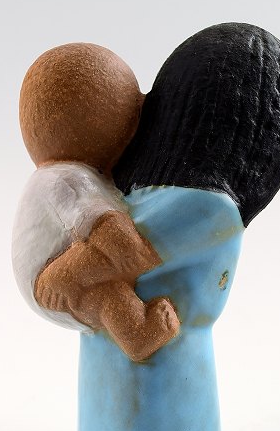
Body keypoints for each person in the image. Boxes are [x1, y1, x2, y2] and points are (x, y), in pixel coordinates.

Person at [78, 23, 280, 431]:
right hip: (166, 347)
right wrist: (59, 276)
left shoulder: (129, 192)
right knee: (165, 398)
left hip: (121, 337)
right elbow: (127, 254)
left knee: (121, 384)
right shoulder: (201, 204)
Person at [12, 43, 180, 362]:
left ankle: (136, 330)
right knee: (115, 255)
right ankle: (138, 321)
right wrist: (134, 249)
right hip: (51, 279)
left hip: (61, 281)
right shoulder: (66, 178)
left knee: (106, 293)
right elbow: (103, 226)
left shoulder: (62, 174)